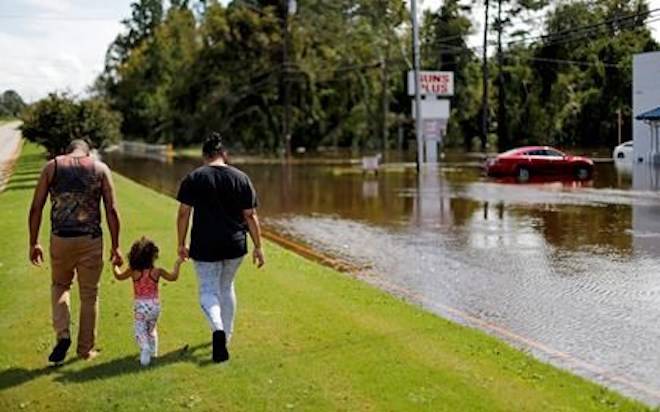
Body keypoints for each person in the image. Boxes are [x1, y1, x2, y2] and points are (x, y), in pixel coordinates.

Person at [28, 139, 123, 363]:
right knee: (89, 295)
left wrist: (34, 243)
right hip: (91, 240)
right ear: (87, 151)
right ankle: (85, 350)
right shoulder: (100, 169)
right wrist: (116, 245)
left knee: (60, 285)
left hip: (60, 238)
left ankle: (63, 335)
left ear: (67, 150)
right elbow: (112, 209)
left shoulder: (52, 167)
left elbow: (36, 208)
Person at [176, 131, 265, 363]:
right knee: (227, 287)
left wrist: (181, 243)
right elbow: (250, 216)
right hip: (235, 244)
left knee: (208, 290)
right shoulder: (241, 178)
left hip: (204, 245)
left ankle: (217, 329)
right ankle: (226, 337)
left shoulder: (194, 178)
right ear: (223, 154)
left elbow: (184, 213)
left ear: (204, 155)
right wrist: (258, 246)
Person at [113, 237, 182, 366]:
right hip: (155, 306)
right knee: (151, 330)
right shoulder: (157, 271)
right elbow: (173, 277)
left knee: (140, 331)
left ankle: (145, 349)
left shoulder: (133, 272)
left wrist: (114, 265)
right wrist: (178, 263)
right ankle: (153, 354)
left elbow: (118, 276)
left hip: (140, 306)